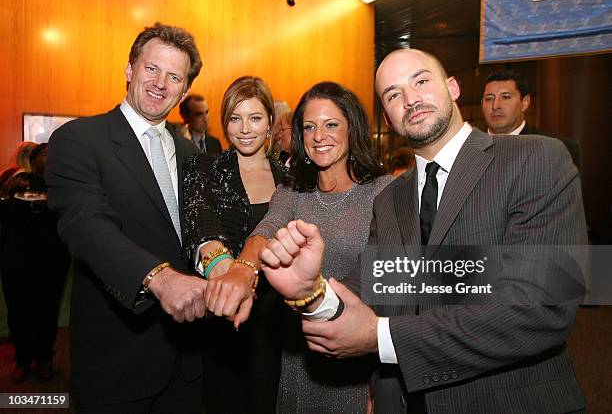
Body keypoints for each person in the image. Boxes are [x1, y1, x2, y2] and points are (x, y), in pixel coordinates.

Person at [259, 49, 587, 413]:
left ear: (453, 87)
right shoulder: (390, 198)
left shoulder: (535, 160)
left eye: (421, 81)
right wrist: (311, 291)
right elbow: (369, 288)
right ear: (387, 114)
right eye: (394, 94)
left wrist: (381, 337)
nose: (411, 99)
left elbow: (540, 306)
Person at [46, 23, 208, 413]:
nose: (160, 83)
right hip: (117, 364)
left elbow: (202, 233)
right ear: (129, 69)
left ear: (184, 91)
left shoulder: (192, 156)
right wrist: (159, 277)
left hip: (187, 364)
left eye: (174, 77)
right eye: (151, 69)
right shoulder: (79, 139)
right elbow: (87, 225)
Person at [209, 81, 393, 413]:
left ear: (353, 128)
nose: (319, 136)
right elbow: (265, 230)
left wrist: (384, 382)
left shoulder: (385, 191)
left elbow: (392, 282)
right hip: (299, 359)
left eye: (331, 124)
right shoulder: (292, 192)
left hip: (359, 360)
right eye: (309, 127)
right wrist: (242, 270)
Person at [182, 76, 286, 414]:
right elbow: (201, 229)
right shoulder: (205, 168)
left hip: (280, 318)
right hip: (225, 314)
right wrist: (231, 279)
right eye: (235, 118)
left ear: (270, 120)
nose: (245, 129)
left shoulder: (290, 177)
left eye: (255, 118)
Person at [0, 143, 70, 383]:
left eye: (55, 153)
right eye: (44, 153)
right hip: (15, 261)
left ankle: (44, 360)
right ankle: (22, 359)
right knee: (19, 313)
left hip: (52, 262)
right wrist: (7, 193)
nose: (50, 158)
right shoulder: (14, 180)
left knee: (47, 313)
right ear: (33, 158)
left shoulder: (64, 185)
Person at [481, 69, 581, 170]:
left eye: (506, 97)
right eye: (489, 98)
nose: (495, 105)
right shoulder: (468, 147)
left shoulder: (559, 150)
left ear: (525, 102)